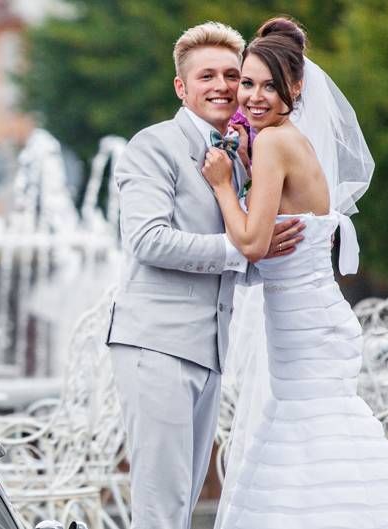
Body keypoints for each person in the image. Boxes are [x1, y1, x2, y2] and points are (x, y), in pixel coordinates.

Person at [202, 16, 388, 529]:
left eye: (269, 86)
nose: (253, 97)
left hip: (308, 326)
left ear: (297, 87)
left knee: (315, 439)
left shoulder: (273, 143)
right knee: (310, 441)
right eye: (247, 83)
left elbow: (251, 242)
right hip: (309, 320)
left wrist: (222, 183)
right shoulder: (282, 141)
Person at [105, 22, 305, 529]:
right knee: (160, 510)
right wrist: (242, 250)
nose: (221, 85)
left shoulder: (238, 156)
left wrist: (279, 258)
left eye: (232, 75)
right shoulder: (152, 147)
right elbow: (147, 239)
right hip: (156, 347)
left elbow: (241, 256)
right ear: (181, 87)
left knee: (185, 504)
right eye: (206, 75)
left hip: (208, 351)